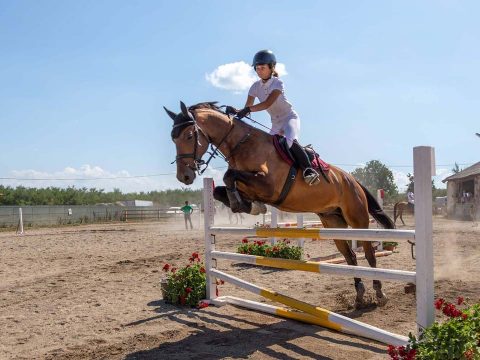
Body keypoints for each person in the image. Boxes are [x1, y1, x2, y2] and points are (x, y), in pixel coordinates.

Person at [230, 49, 320, 186]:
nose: (259, 71)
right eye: (257, 68)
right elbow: (247, 109)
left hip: (289, 118)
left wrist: (247, 109)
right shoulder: (254, 87)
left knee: (290, 141)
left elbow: (267, 103)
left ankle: (308, 170)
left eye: (263, 68)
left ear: (271, 68)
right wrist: (236, 111)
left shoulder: (278, 83)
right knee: (266, 148)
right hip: (276, 124)